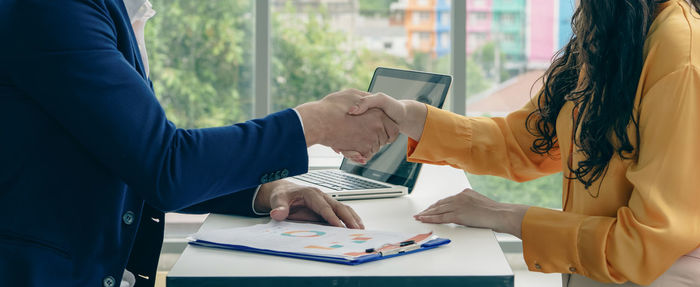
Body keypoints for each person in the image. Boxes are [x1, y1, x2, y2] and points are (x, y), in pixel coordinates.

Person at [0, 0, 398, 286]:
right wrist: (313, 124)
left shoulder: (120, 11)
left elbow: (133, 156)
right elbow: (163, 166)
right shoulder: (55, 9)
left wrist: (265, 191)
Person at [349, 0, 700, 286]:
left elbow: (641, 247)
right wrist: (409, 116)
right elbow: (520, 143)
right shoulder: (610, 29)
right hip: (592, 272)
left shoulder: (679, 53)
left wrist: (503, 214)